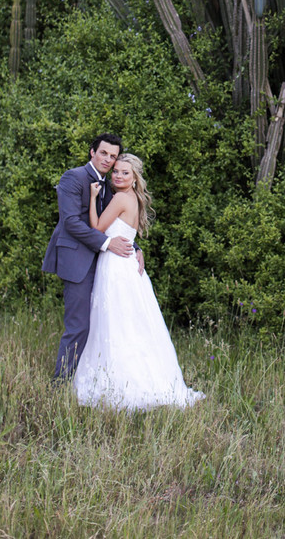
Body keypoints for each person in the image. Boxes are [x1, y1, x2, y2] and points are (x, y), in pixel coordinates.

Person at [73, 153, 205, 411]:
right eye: (116, 171)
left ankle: (122, 383)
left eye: (125, 173)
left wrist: (91, 198)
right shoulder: (132, 198)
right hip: (128, 265)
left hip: (116, 266)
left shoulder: (121, 197)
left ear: (134, 179)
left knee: (116, 323)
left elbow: (97, 228)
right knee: (132, 324)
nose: (118, 176)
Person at [42, 133, 145, 381]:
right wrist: (108, 243)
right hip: (77, 260)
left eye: (113, 156)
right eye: (103, 153)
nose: (108, 160)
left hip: (104, 265)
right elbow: (71, 223)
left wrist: (136, 249)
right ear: (92, 152)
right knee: (79, 326)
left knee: (103, 324)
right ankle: (60, 384)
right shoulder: (73, 178)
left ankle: (95, 380)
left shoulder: (112, 185)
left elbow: (117, 223)